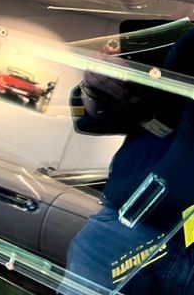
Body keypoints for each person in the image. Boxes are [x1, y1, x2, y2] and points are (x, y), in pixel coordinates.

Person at [61, 29, 194, 294]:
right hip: (134, 223)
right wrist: (96, 87)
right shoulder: (182, 40)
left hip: (134, 225)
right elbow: (90, 112)